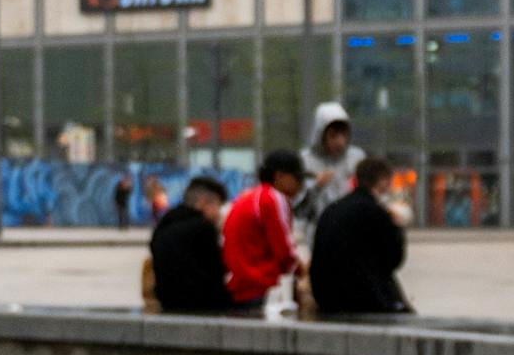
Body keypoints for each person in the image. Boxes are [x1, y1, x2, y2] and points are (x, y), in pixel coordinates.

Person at [309, 158, 412, 316]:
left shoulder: (332, 209)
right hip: (362, 299)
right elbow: (393, 259)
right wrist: (396, 227)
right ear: (383, 181)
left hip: (327, 297)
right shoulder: (376, 212)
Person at [223, 150, 305, 310]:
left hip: (239, 289)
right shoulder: (273, 198)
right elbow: (285, 253)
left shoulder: (246, 197)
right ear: (280, 176)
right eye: (298, 178)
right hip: (262, 289)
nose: (301, 184)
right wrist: (303, 272)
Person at [149, 175, 231, 314]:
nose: (218, 212)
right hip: (202, 306)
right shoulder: (203, 227)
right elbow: (217, 272)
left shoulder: (164, 225)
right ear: (204, 202)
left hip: (168, 303)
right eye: (218, 205)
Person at [295, 101, 365, 247]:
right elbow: (299, 208)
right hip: (319, 233)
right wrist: (316, 187)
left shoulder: (356, 158)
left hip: (353, 231)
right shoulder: (306, 160)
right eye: (333, 136)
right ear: (321, 135)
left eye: (343, 135)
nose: (339, 142)